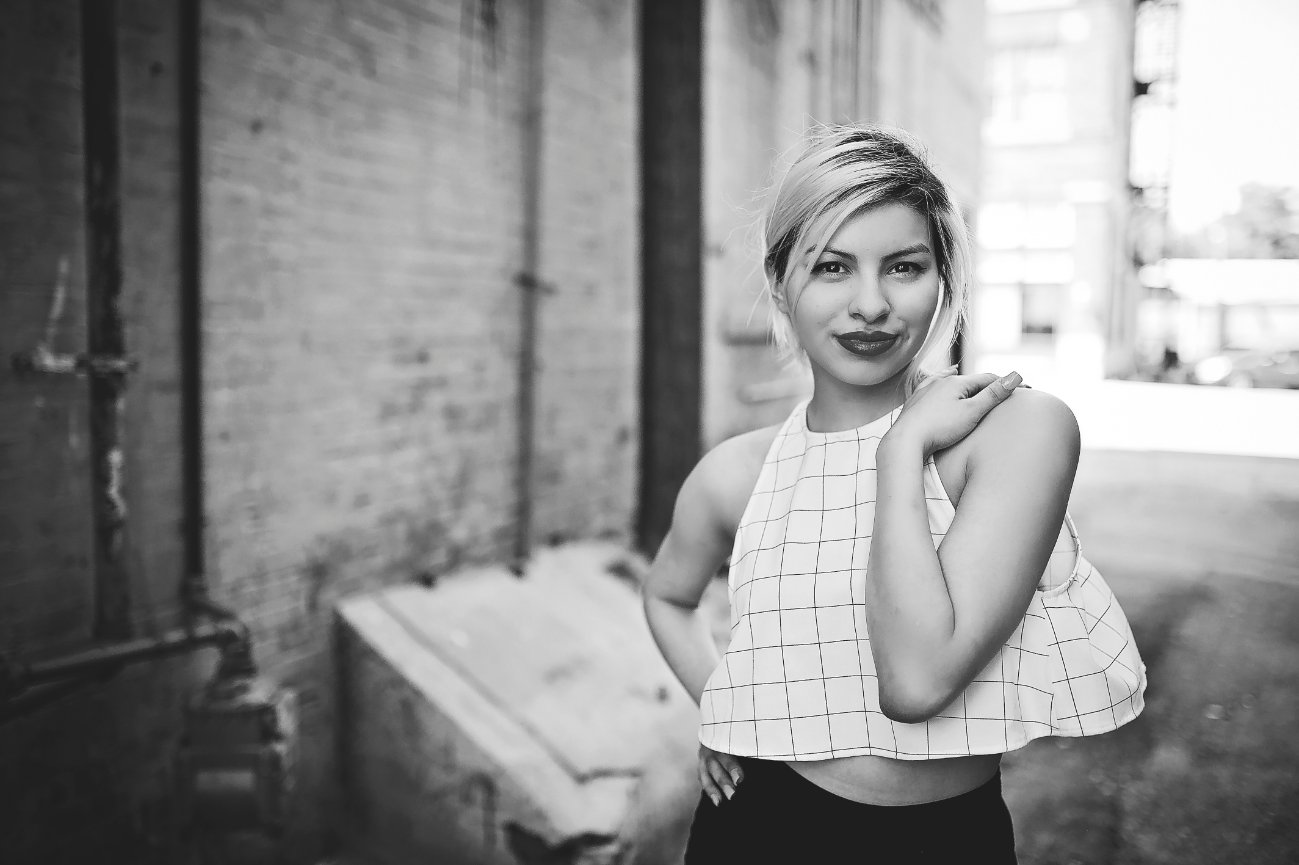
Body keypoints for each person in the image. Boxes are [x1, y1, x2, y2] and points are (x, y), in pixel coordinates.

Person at [641, 124, 1147, 863]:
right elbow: (666, 595)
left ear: (944, 278)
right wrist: (727, 705)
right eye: (832, 267)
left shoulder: (1018, 432)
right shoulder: (736, 473)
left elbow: (917, 681)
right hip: (752, 830)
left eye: (904, 266)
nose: (871, 304)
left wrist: (901, 451)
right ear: (780, 283)